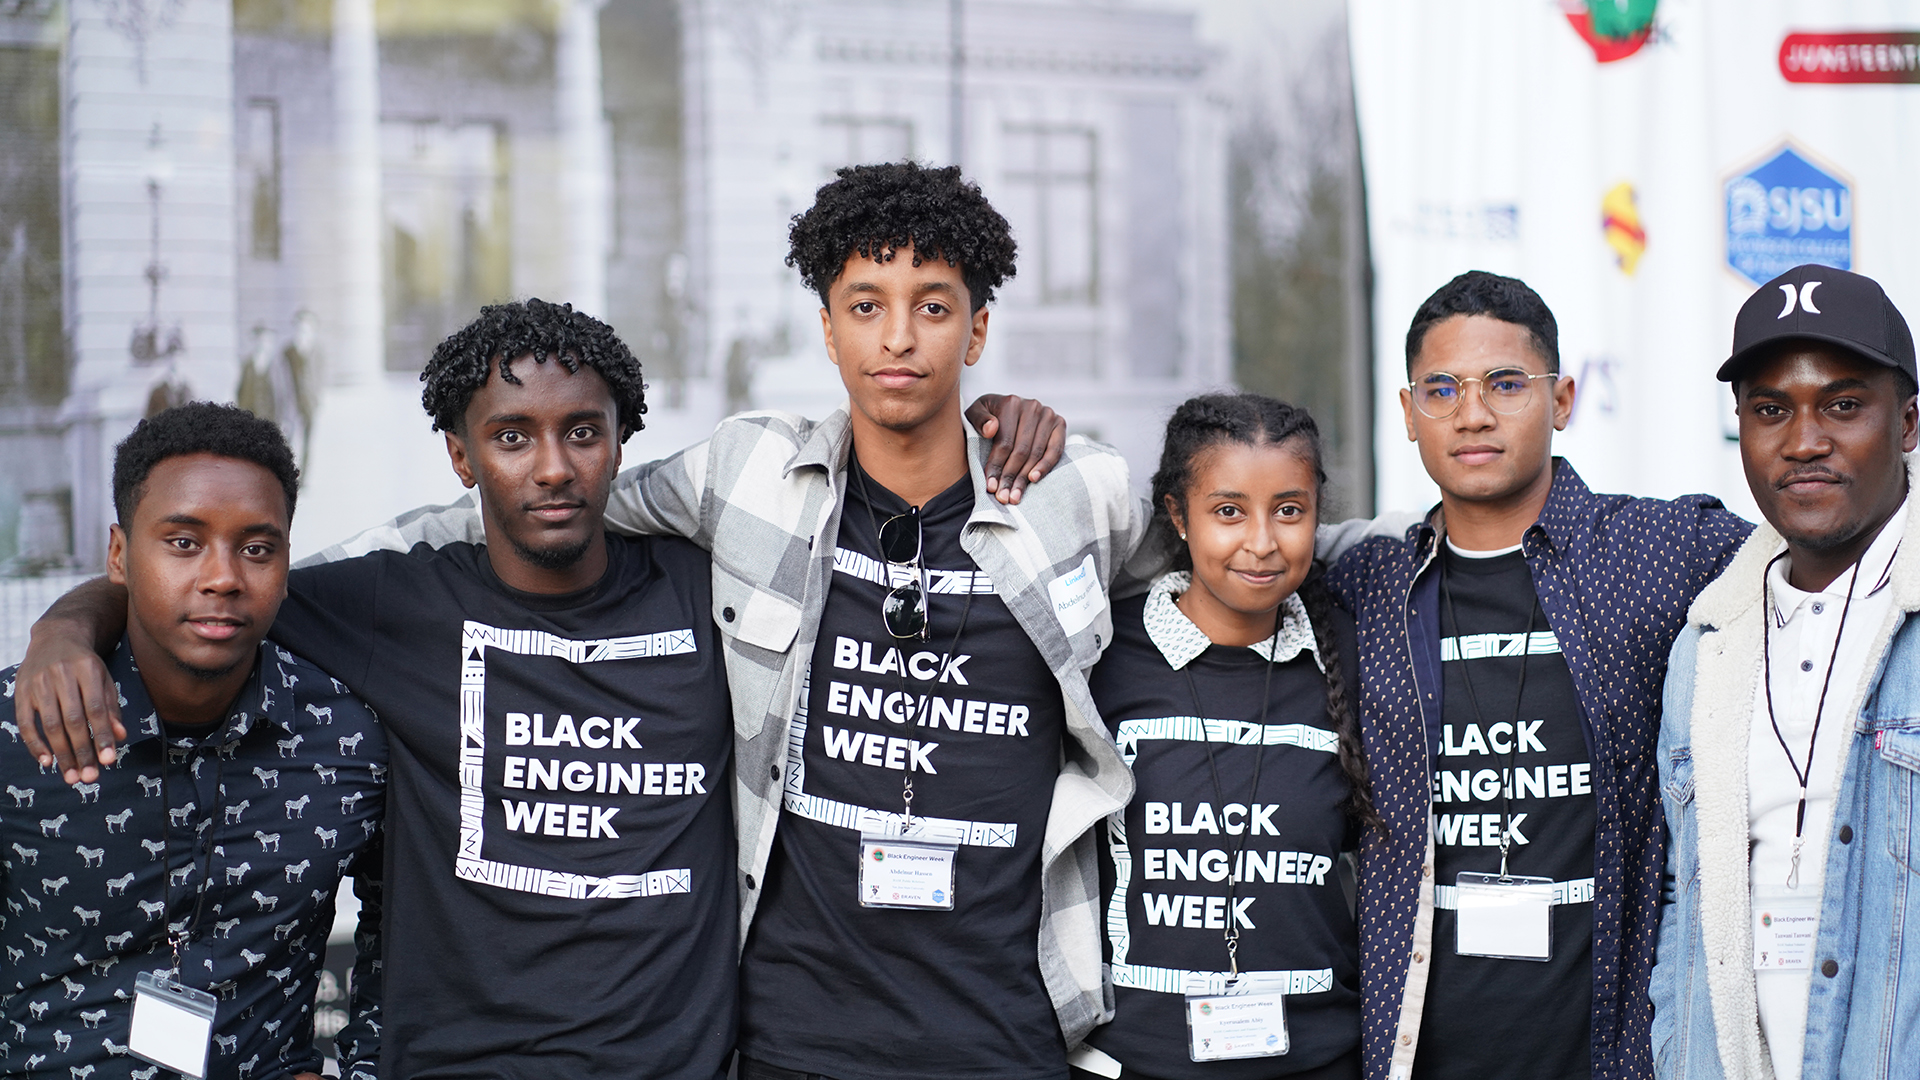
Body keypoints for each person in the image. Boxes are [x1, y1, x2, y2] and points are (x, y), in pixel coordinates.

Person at [18, 301, 740, 1078]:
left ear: (621, 442)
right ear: (462, 460)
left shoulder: (716, 593)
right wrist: (62, 628)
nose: (554, 466)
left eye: (583, 432)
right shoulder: (390, 605)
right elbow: (205, 590)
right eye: (510, 437)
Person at [1327, 271, 1752, 1080]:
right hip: (1414, 1050)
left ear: (1561, 400)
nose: (1473, 413)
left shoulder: (1659, 551)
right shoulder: (1367, 586)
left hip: (1610, 1049)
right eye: (1442, 389)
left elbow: (1820, 559)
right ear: (1409, 413)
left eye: (1506, 384)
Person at [0, 402, 383, 1080]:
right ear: (119, 554)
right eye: (183, 543)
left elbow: (405, 946)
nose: (223, 577)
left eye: (257, 548)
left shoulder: (349, 736)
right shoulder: (19, 727)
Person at [1651, 264, 1920, 1080]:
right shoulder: (1706, 644)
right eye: (1771, 411)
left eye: (1842, 405)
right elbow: (1682, 894)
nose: (1804, 441)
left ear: (1908, 422)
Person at [1074, 393, 1374, 1080]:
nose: (1262, 542)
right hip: (1135, 1064)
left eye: (1289, 510)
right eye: (1229, 511)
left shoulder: (1356, 659)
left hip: (1315, 1061)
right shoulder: (1102, 656)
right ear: (1178, 515)